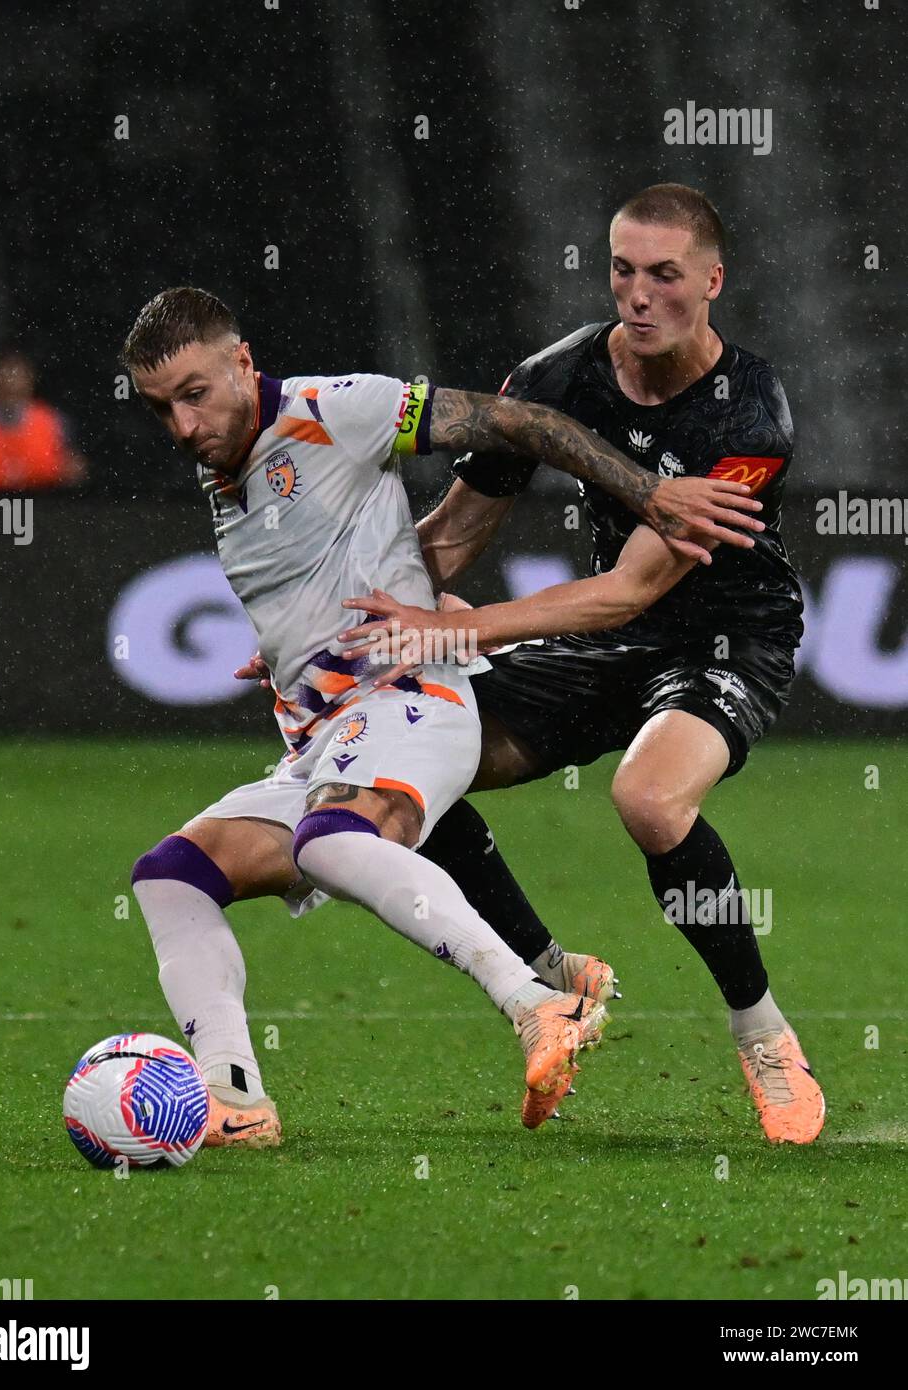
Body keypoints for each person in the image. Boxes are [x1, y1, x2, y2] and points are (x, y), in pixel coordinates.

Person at [122, 285, 760, 1147]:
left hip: (411, 700)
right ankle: (233, 1098)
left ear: (243, 362)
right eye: (162, 408)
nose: (184, 425)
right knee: (170, 876)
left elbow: (518, 423)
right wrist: (291, 649)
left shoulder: (335, 409)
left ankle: (538, 1005)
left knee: (334, 842)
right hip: (323, 738)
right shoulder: (224, 466)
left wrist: (649, 494)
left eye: (196, 393)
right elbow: (328, 555)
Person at [335, 183, 825, 1146]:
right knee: (404, 771)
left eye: (665, 276)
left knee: (650, 801)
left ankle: (763, 1034)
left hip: (726, 635)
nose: (637, 295)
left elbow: (631, 590)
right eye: (621, 270)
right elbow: (447, 536)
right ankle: (555, 976)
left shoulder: (749, 414)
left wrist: (464, 632)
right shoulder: (555, 379)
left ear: (712, 282)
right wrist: (324, 638)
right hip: (601, 646)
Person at [0, 347, 87, 489]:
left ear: (31, 378)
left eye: (16, 374)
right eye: (2, 374)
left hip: (47, 503)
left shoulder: (54, 422)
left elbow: (76, 468)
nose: (9, 382)